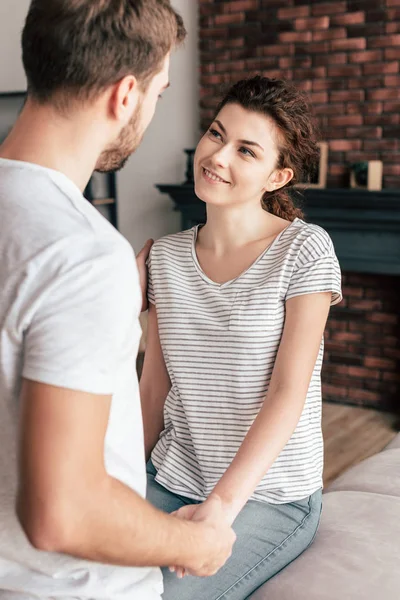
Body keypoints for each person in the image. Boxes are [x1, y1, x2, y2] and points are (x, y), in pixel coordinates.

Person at [0, 1, 236, 599]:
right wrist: (195, 546)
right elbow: (65, 512)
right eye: (160, 92)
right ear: (124, 95)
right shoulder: (82, 255)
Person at [141, 75, 343, 600]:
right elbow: (153, 388)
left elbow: (288, 393)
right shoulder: (162, 257)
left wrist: (221, 509)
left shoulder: (305, 251)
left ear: (277, 177)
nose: (217, 156)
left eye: (245, 150)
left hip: (270, 499)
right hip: (171, 475)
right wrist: (117, 480)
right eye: (216, 133)